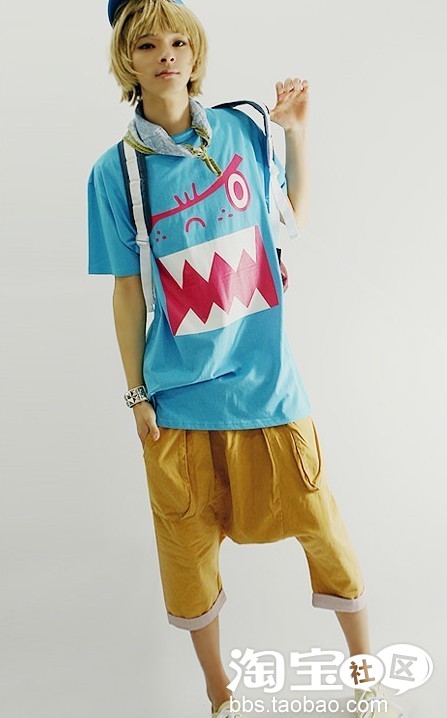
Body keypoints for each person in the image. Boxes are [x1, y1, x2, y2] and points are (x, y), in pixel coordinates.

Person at [87, 2, 404, 717]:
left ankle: (366, 680)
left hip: (268, 386)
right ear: (126, 60)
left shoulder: (242, 129)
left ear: (195, 53)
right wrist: (136, 396)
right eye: (147, 44)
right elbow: (127, 292)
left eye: (178, 40)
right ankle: (220, 696)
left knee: (324, 530)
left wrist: (295, 134)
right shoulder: (116, 172)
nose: (166, 54)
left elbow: (289, 217)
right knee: (187, 557)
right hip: (178, 403)